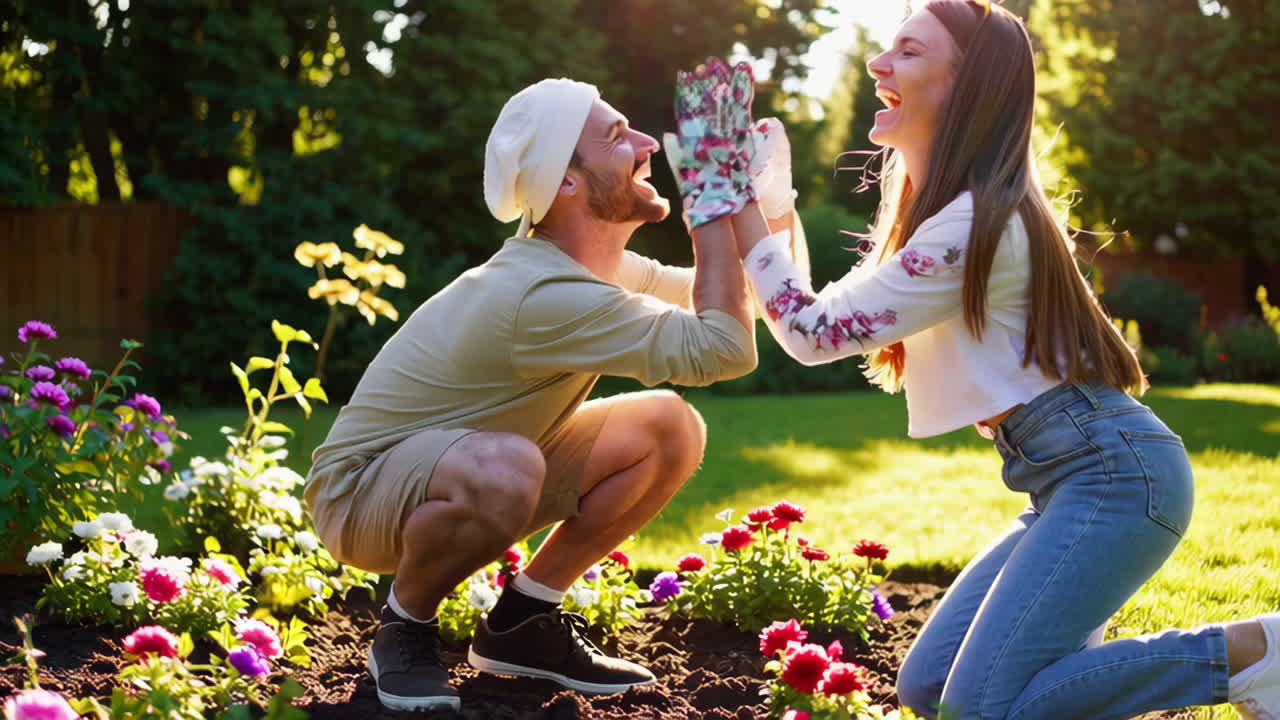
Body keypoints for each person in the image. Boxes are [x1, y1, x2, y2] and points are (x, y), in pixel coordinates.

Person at [686, 2, 1280, 718]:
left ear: (965, 85)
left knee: (980, 709)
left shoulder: (973, 223)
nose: (878, 64)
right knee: (929, 689)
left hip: (1115, 477)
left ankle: (1253, 654)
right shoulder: (955, 214)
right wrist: (770, 206)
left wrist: (739, 197)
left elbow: (812, 336)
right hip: (1071, 475)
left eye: (907, 52)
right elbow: (814, 312)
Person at [302, 72, 804, 712]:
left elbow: (747, 302)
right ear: (567, 182)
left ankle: (524, 623)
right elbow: (724, 350)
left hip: (465, 466)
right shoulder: (545, 295)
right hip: (360, 495)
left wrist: (765, 204)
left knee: (669, 428)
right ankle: (404, 628)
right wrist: (709, 201)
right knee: (509, 464)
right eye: (620, 137)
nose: (649, 143)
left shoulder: (593, 271)